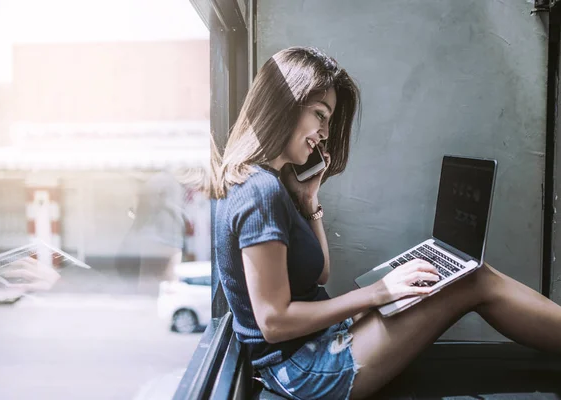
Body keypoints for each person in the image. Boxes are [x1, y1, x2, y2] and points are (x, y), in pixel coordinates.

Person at [211, 46, 561, 400]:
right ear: (284, 104)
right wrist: (376, 294)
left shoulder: (269, 184)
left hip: (315, 347)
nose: (325, 133)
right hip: (303, 370)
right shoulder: (259, 192)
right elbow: (273, 322)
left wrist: (308, 201)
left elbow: (318, 277)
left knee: (464, 273)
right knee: (473, 279)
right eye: (320, 114)